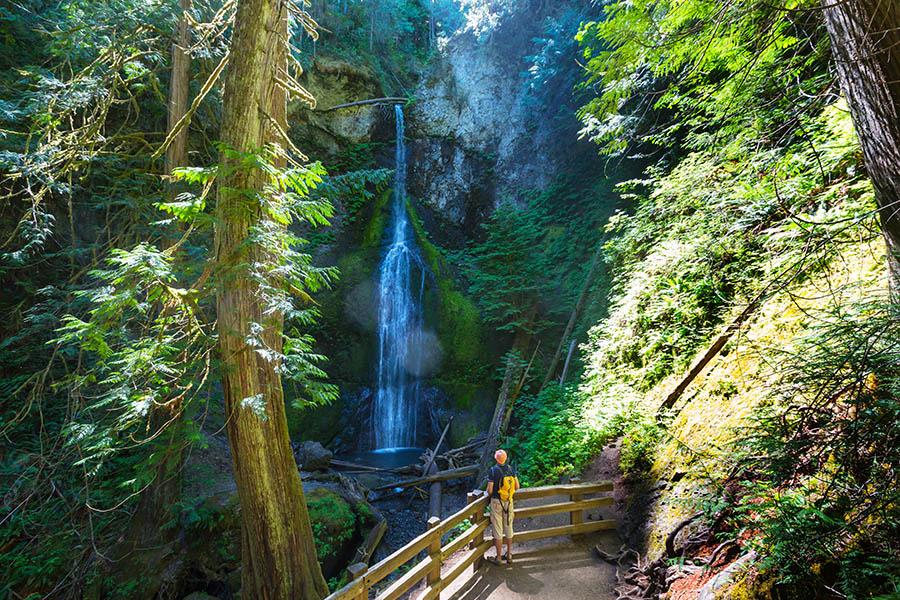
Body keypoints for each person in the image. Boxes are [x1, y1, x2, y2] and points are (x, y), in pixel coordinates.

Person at [485, 448, 519, 565]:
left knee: (498, 530)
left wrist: (488, 492)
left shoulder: (493, 471)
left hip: (496, 503)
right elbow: (517, 486)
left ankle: (499, 557)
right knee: (509, 528)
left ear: (496, 459)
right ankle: (509, 555)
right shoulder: (510, 469)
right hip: (508, 502)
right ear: (505, 458)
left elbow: (489, 490)